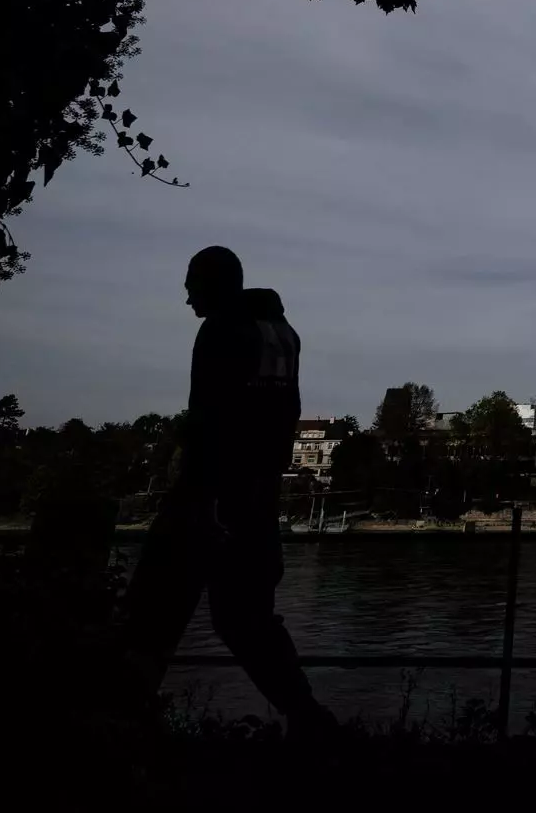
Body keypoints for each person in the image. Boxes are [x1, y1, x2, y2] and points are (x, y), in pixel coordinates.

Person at [119, 245, 335, 737]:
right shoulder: (283, 334)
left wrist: (198, 495)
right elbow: (282, 413)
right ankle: (310, 720)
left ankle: (122, 726)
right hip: (257, 498)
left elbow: (208, 416)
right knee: (247, 620)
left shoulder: (220, 330)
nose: (187, 296)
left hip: (211, 497)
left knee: (151, 612)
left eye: (193, 283)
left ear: (216, 283)